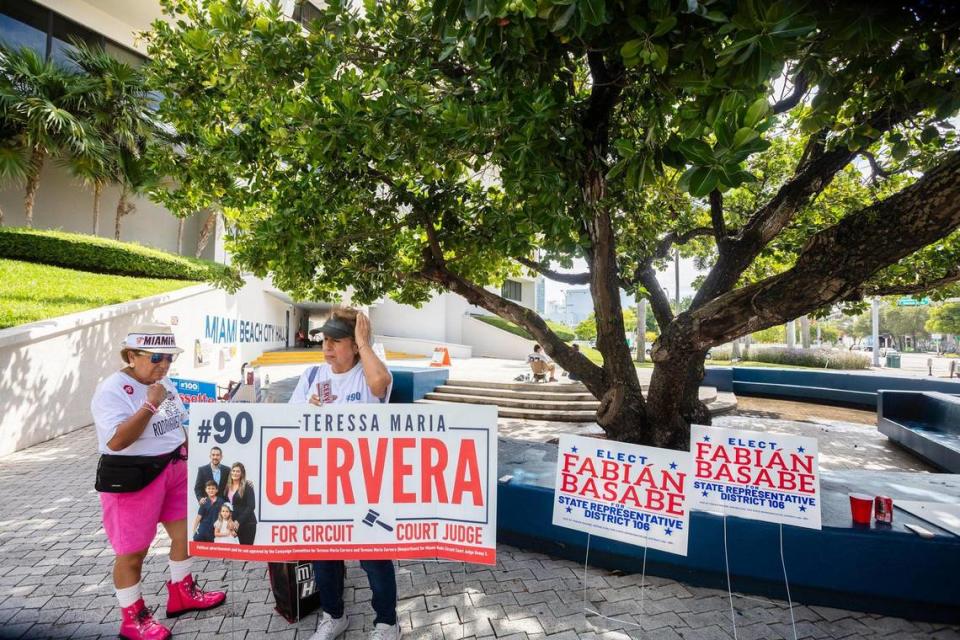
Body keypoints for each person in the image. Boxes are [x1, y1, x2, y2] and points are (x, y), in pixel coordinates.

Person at [91, 322, 225, 640]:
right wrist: (150, 404)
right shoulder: (112, 388)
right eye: (156, 358)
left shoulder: (163, 382)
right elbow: (116, 441)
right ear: (132, 355)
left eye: (169, 358)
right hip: (133, 477)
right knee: (133, 551)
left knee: (187, 536)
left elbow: (178, 423)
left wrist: (196, 460)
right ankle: (133, 618)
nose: (164, 365)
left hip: (174, 469)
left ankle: (182, 592)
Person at [288, 308, 398, 640]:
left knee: (373, 556)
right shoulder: (311, 376)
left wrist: (366, 342)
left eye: (337, 341)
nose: (328, 347)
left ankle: (387, 621)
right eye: (325, 340)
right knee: (325, 556)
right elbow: (289, 424)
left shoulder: (369, 374)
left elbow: (381, 386)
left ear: (355, 344)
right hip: (322, 482)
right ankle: (334, 615)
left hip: (365, 483)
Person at [224, 462, 257, 545]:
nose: (235, 473)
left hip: (247, 523)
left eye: (238, 471)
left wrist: (238, 521)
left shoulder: (247, 486)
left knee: (246, 552)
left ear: (242, 473)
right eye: (233, 471)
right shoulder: (227, 487)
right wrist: (230, 521)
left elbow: (251, 506)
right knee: (236, 552)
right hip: (233, 524)